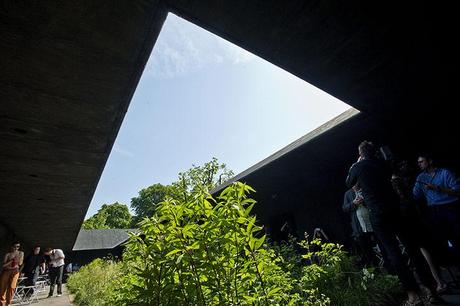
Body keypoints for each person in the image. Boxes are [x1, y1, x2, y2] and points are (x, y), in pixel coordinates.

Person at [346, 141, 441, 306]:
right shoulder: (383, 163)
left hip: (378, 214)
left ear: (361, 154)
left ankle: (413, 296)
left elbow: (349, 182)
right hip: (396, 210)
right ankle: (430, 289)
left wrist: (357, 163)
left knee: (393, 253)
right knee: (412, 249)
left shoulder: (357, 167)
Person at [413, 154, 460, 258]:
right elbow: (415, 195)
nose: (419, 164)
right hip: (434, 210)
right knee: (447, 239)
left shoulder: (445, 173)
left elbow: (457, 191)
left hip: (450, 207)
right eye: (418, 162)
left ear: (430, 161)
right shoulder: (421, 177)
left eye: (421, 161)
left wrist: (438, 188)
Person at [343, 186, 379, 267]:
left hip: (373, 224)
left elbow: (374, 201)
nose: (355, 185)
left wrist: (364, 201)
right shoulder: (348, 194)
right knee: (368, 251)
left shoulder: (365, 189)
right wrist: (354, 203)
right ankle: (375, 270)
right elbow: (345, 208)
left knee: (382, 247)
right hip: (360, 228)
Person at [0, 242, 24, 306]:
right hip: (7, 271)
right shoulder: (8, 254)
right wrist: (11, 261)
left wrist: (16, 259)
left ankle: (8, 303)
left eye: (18, 246)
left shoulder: (21, 253)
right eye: (15, 246)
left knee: (12, 286)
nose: (16, 248)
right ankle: (2, 303)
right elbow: (4, 265)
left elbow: (20, 263)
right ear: (12, 247)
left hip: (15, 271)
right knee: (3, 287)